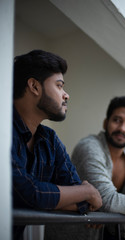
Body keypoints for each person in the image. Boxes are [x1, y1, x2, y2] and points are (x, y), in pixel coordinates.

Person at [12, 49, 102, 240]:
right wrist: (86, 190)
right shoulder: (4, 130)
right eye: (59, 86)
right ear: (34, 87)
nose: (66, 95)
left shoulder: (50, 141)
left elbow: (81, 198)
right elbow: (28, 193)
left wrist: (79, 194)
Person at [71, 96, 125, 240]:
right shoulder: (89, 147)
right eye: (117, 120)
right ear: (106, 123)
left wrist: (109, 211)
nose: (122, 128)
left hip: (117, 234)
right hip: (77, 234)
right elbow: (108, 200)